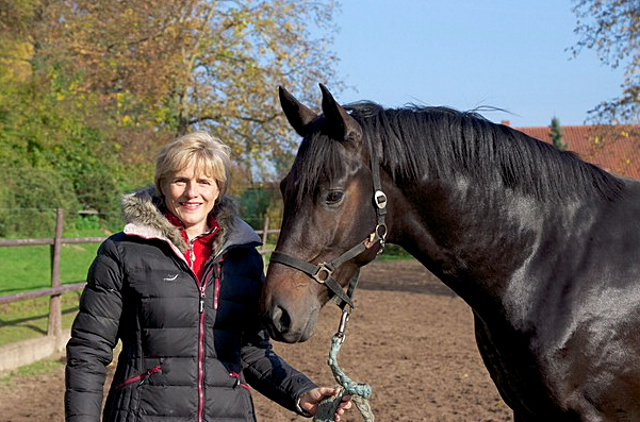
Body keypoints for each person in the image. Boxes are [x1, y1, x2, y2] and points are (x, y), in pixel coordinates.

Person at [65, 132, 351, 422]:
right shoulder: (123, 251)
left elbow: (252, 353)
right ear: (163, 185)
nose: (192, 193)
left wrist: (301, 393)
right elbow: (89, 349)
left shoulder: (244, 257)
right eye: (180, 181)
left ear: (218, 189)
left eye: (204, 182)